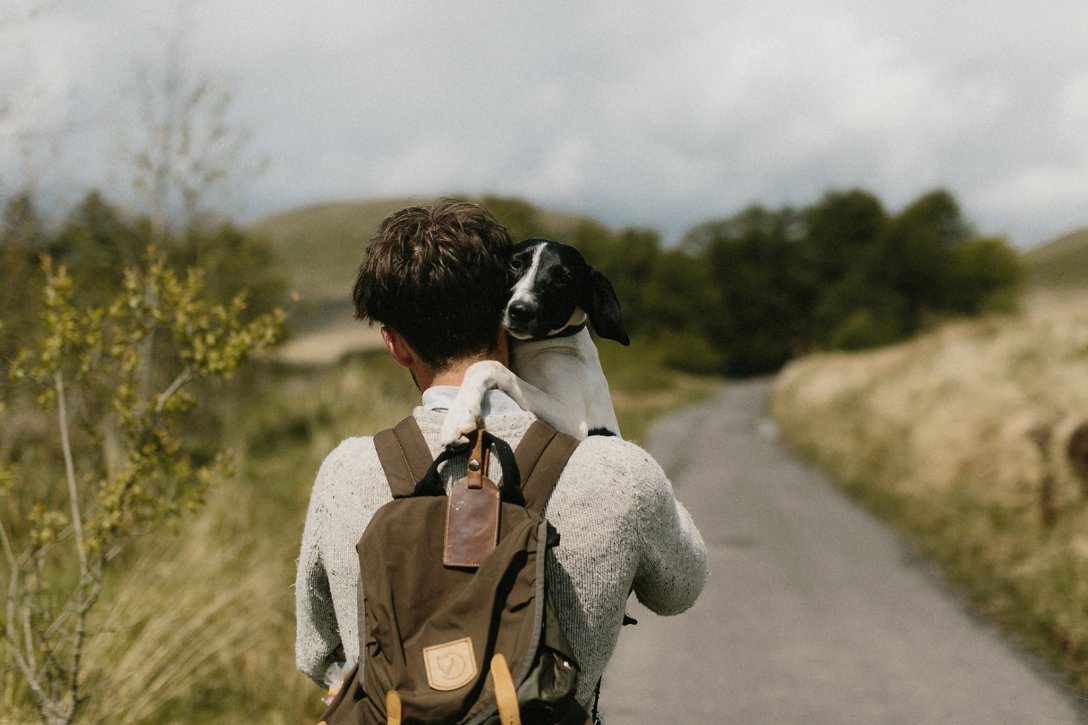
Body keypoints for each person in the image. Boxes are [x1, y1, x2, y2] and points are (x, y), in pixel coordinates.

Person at [294, 201, 707, 717]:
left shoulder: (345, 473)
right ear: (508, 308)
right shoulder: (617, 471)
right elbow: (681, 589)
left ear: (395, 345)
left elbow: (316, 654)